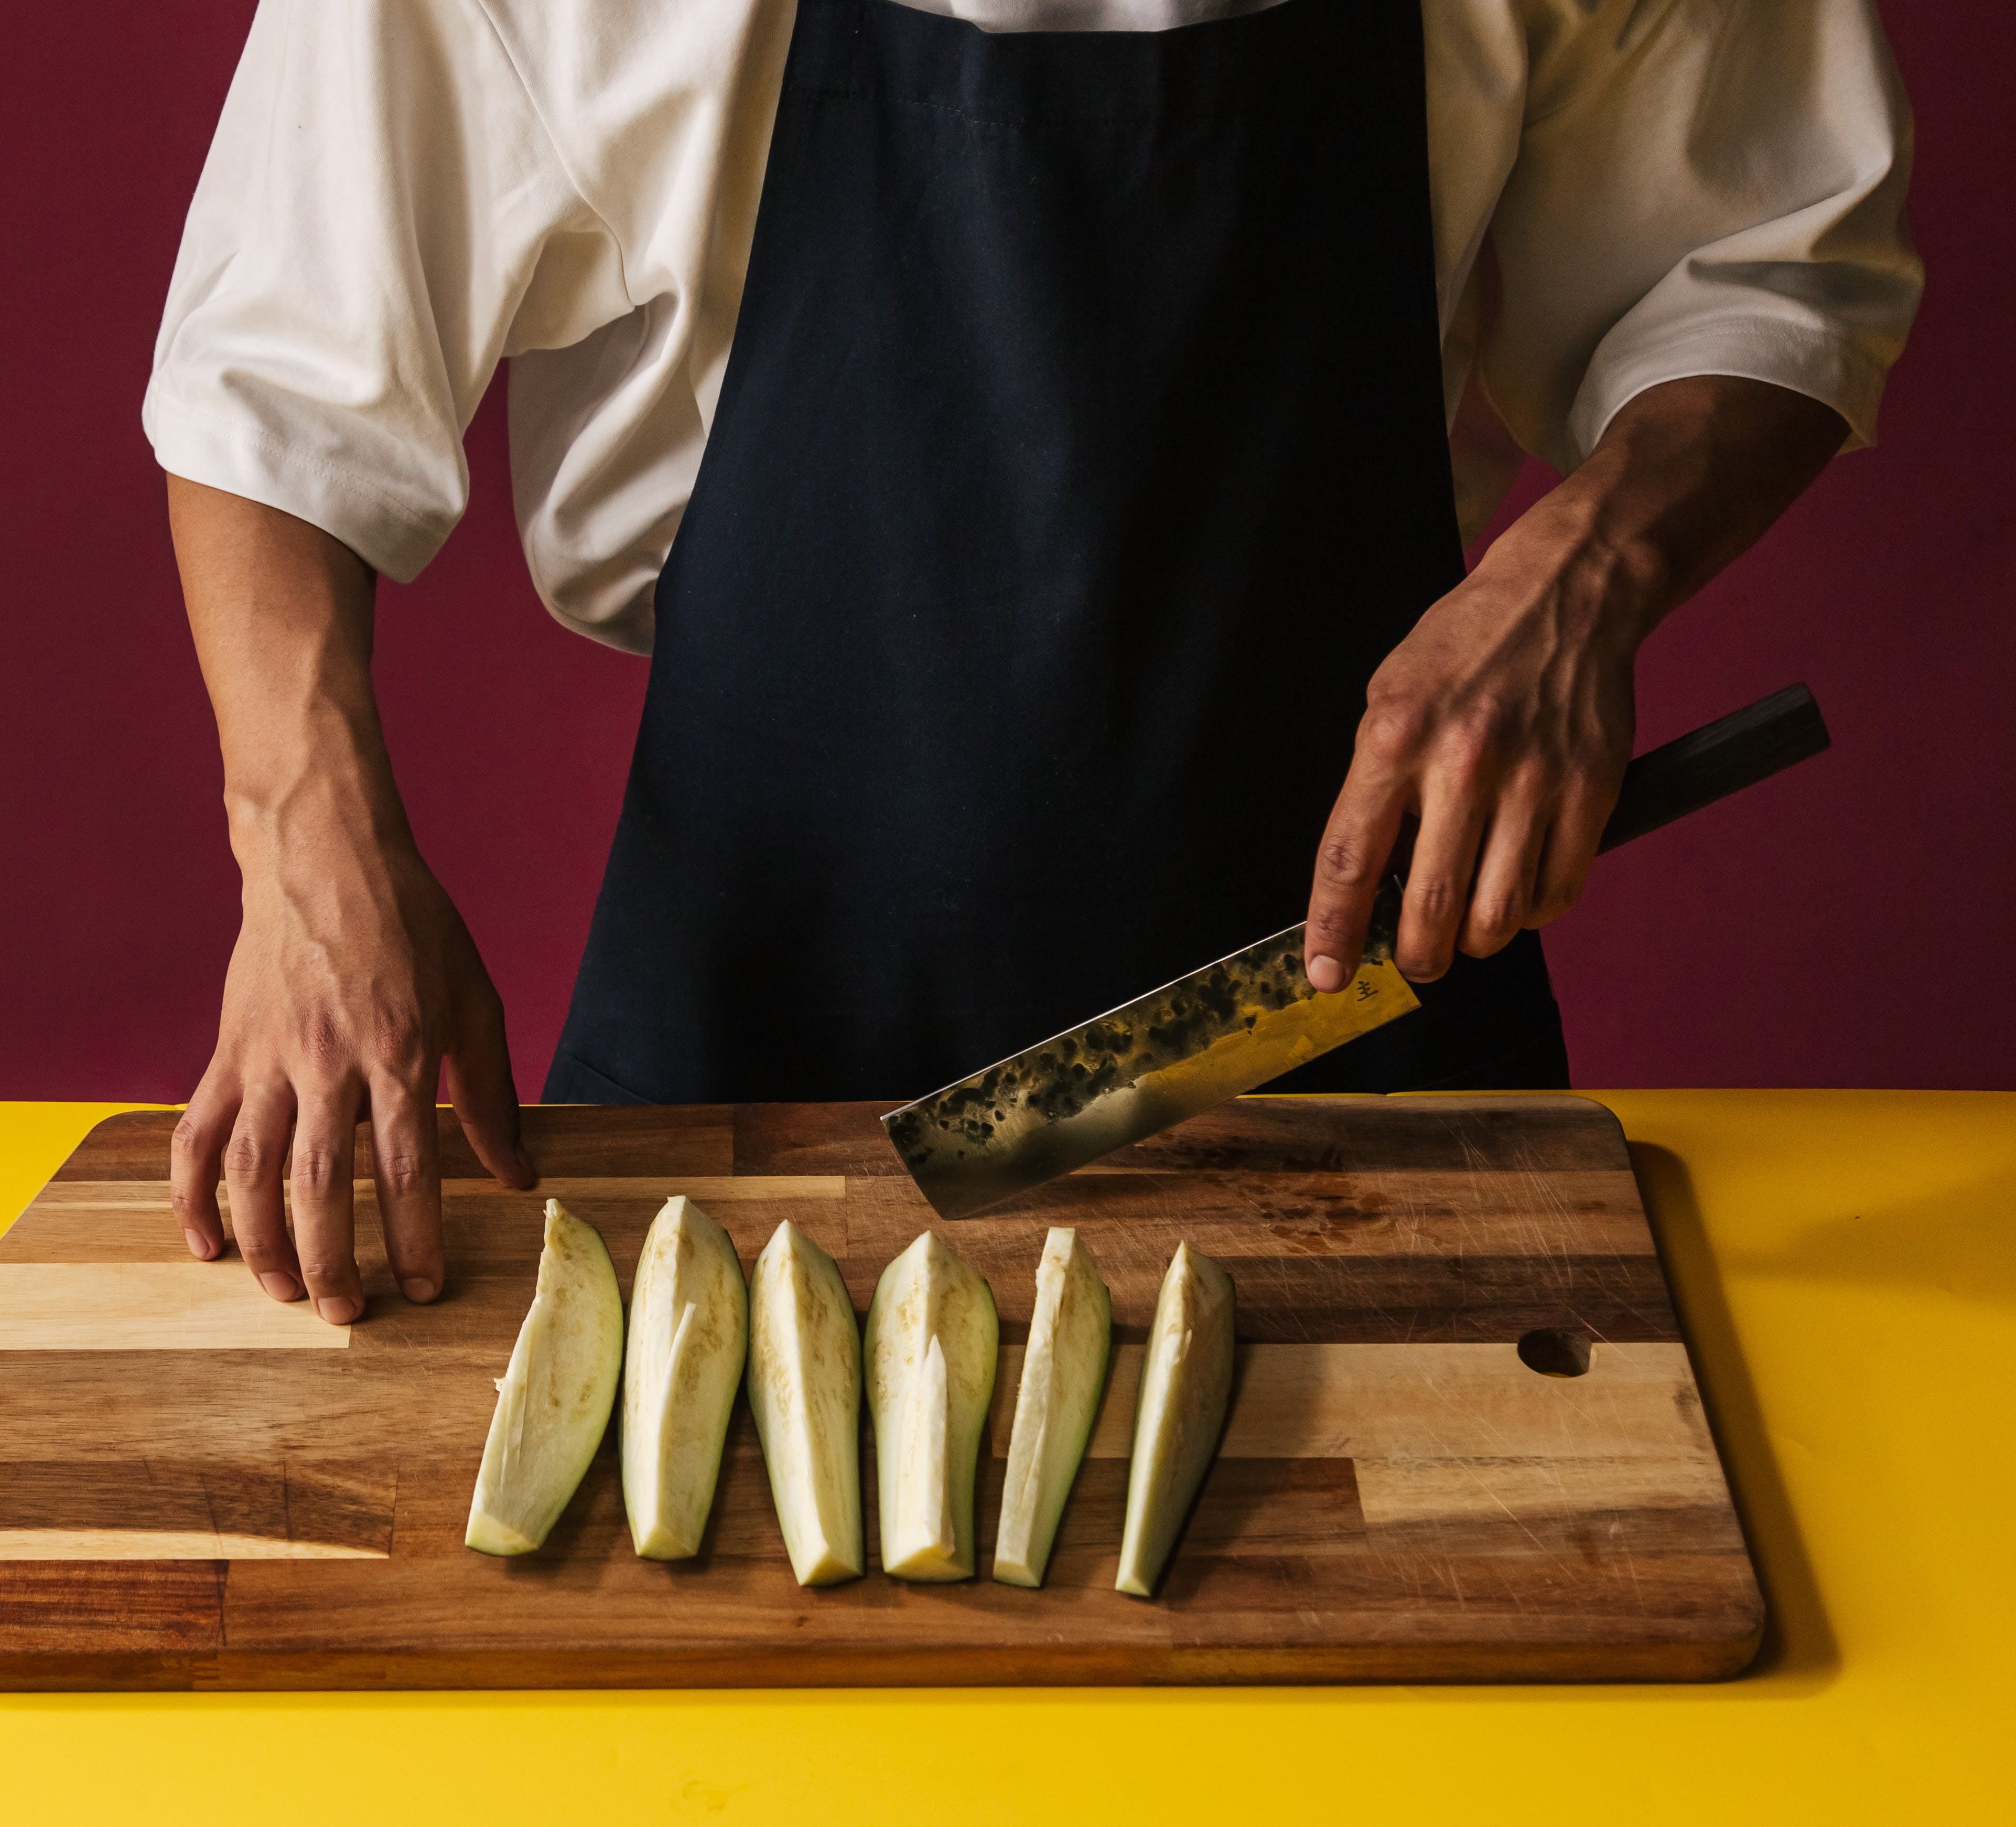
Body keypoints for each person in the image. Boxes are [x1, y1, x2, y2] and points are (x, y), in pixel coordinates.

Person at [145, 0, 1920, 1325]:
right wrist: (306, 849)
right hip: (755, 1029)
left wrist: (1584, 570)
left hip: (1353, 1024)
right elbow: (279, 374)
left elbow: (1763, 262)